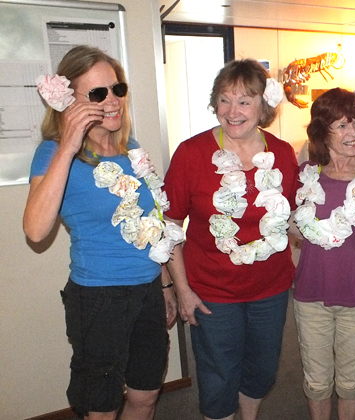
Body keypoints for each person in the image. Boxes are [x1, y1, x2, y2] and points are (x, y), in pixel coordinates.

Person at [23, 45, 178, 420]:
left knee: (146, 395)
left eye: (117, 89)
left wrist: (166, 284)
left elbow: (149, 224)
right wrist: (69, 143)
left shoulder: (133, 149)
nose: (112, 101)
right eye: (97, 94)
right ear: (68, 102)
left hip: (146, 291)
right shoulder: (54, 153)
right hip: (98, 298)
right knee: (102, 407)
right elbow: (35, 230)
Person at [162, 59, 299, 420]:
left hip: (270, 287)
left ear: (262, 106)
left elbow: (292, 217)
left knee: (262, 370)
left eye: (244, 101)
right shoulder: (191, 153)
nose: (232, 111)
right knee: (218, 376)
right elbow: (171, 223)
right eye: (224, 100)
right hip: (212, 290)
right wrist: (181, 289)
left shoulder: (282, 154)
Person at [292, 87, 355, 420]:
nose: (354, 132)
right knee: (317, 383)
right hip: (311, 294)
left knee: (350, 383)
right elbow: (290, 231)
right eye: (342, 124)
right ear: (322, 131)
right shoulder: (305, 176)